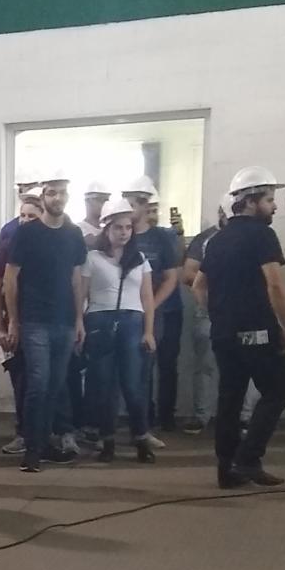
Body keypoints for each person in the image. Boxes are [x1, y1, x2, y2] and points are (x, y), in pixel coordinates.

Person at [193, 166, 285, 488]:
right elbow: (275, 285)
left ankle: (227, 470)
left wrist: (220, 315)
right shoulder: (262, 234)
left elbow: (198, 286)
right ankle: (248, 458)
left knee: (230, 397)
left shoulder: (216, 239)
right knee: (279, 388)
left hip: (223, 333)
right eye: (269, 199)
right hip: (257, 330)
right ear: (250, 201)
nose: (274, 206)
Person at [2, 173, 88, 472]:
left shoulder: (73, 234)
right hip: (34, 319)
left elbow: (76, 278)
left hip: (64, 320)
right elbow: (10, 278)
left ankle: (44, 442)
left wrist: (79, 318)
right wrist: (13, 320)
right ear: (43, 197)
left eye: (62, 193)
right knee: (38, 383)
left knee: (54, 385)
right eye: (52, 193)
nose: (57, 198)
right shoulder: (27, 233)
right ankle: (32, 449)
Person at [81, 197, 159, 463]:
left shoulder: (140, 260)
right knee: (104, 386)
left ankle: (141, 438)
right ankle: (108, 441)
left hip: (132, 321)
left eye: (128, 227)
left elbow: (147, 297)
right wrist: (79, 324)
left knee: (133, 384)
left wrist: (149, 331)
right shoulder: (92, 258)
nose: (124, 232)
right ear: (106, 229)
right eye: (118, 227)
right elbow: (81, 295)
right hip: (100, 321)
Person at [124, 176, 185, 436]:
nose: (130, 209)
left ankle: (165, 417)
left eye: (134, 204)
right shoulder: (123, 235)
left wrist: (151, 306)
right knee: (139, 369)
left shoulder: (162, 238)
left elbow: (172, 277)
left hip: (160, 311)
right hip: (129, 313)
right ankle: (143, 419)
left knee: (162, 364)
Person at [0, 187, 43, 456]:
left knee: (43, 382)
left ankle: (46, 434)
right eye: (22, 215)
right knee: (21, 380)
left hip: (43, 322)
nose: (25, 221)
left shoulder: (53, 244)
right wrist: (1, 325)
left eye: (31, 216)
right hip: (16, 323)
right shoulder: (7, 245)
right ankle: (23, 434)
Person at [178, 210, 224, 435]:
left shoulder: (258, 235)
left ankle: (244, 417)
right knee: (205, 365)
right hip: (208, 310)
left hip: (245, 312)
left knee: (247, 365)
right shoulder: (205, 239)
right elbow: (188, 275)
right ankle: (201, 415)